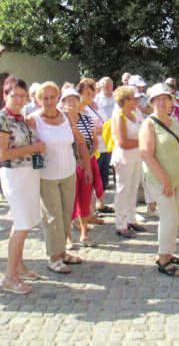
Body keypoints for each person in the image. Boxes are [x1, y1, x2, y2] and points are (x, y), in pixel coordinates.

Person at [0, 75, 46, 294]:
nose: (20, 99)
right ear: (6, 95)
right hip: (14, 174)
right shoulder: (3, 118)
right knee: (22, 223)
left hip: (28, 173)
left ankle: (19, 265)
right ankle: (9, 277)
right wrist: (33, 149)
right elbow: (2, 153)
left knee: (24, 223)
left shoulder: (20, 118)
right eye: (15, 95)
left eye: (24, 96)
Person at [139, 83, 179, 277]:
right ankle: (163, 260)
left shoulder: (174, 121)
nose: (162, 102)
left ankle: (167, 252)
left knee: (175, 217)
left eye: (166, 98)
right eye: (158, 99)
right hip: (160, 180)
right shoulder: (149, 124)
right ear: (152, 102)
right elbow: (147, 154)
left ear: (172, 102)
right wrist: (164, 180)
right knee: (169, 218)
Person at [27, 82, 83, 274]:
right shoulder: (33, 120)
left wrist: (85, 162)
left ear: (58, 98)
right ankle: (53, 257)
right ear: (38, 100)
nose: (49, 102)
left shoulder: (66, 116)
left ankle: (63, 252)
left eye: (52, 97)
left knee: (67, 213)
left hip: (68, 172)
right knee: (53, 217)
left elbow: (78, 139)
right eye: (45, 98)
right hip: (46, 175)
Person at [61, 85, 101, 247]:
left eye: (74, 99)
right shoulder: (60, 120)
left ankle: (84, 233)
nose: (71, 103)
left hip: (87, 161)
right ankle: (68, 236)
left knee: (85, 198)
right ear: (62, 103)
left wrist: (89, 159)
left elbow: (94, 140)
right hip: (68, 164)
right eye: (68, 100)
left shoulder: (86, 118)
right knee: (69, 199)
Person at [111, 86, 145, 238]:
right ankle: (120, 224)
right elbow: (123, 142)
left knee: (133, 189)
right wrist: (143, 142)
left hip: (136, 157)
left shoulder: (135, 114)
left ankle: (131, 219)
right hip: (124, 158)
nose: (135, 100)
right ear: (124, 101)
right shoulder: (119, 117)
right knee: (123, 191)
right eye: (132, 98)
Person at [78, 78, 113, 218]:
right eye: (87, 93)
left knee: (99, 180)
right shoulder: (78, 110)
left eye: (92, 94)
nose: (90, 97)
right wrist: (101, 131)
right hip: (84, 154)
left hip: (98, 149)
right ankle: (85, 216)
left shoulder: (93, 107)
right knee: (87, 185)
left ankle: (90, 213)